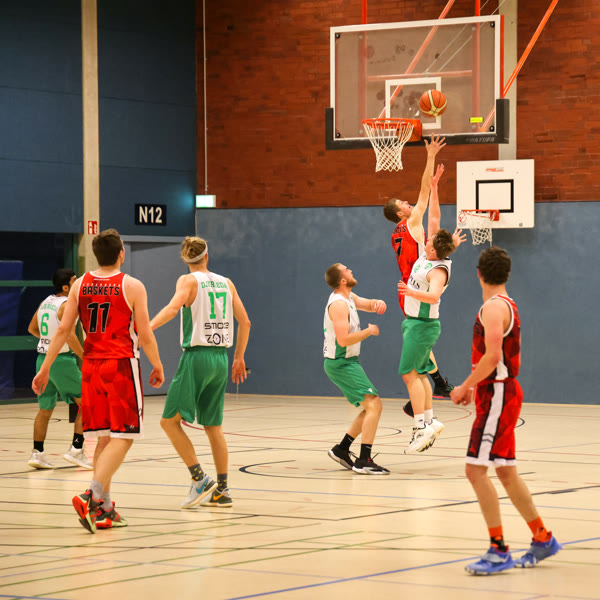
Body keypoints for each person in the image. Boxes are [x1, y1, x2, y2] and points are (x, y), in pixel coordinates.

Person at [32, 229, 164, 533]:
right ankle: (91, 495)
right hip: (120, 366)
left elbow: (63, 330)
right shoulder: (132, 285)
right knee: (124, 436)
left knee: (105, 437)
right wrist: (157, 364)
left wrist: (45, 367)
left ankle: (104, 508)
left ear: (96, 255)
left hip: (91, 368)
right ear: (121, 254)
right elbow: (145, 333)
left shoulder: (80, 284)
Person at [451, 247, 561, 574]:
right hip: (501, 391)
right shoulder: (506, 304)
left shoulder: (493, 308)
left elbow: (493, 356)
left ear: (478, 273)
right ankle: (542, 537)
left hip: (497, 393)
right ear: (507, 274)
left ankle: (498, 549)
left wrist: (466, 385)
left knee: (475, 470)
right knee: (505, 471)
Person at [150, 237, 251, 509]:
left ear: (184, 259)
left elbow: (173, 308)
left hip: (196, 357)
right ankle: (223, 490)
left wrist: (147, 328)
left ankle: (199, 479)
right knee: (213, 426)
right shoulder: (227, 283)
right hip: (220, 359)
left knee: (169, 422)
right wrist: (239, 357)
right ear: (208, 256)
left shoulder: (187, 281)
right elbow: (245, 321)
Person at [397, 166, 466, 454]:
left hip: (422, 326)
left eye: (429, 241)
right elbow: (434, 217)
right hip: (416, 324)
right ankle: (429, 421)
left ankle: (420, 427)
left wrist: (410, 291)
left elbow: (435, 295)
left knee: (409, 374)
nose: (425, 240)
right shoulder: (432, 254)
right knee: (421, 373)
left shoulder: (438, 269)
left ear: (435, 251)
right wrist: (435, 187)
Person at [383, 135, 453, 410]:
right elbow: (424, 192)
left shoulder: (397, 233)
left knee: (422, 341)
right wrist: (430, 156)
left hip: (409, 285)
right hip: (415, 287)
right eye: (403, 203)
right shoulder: (411, 223)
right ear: (400, 214)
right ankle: (433, 385)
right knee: (422, 340)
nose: (408, 202)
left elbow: (433, 218)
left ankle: (436, 382)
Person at [324, 263, 389, 475]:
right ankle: (364, 460)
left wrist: (377, 304)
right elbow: (343, 340)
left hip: (349, 361)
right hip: (340, 362)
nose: (350, 270)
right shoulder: (338, 305)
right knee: (374, 404)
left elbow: (366, 304)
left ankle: (342, 449)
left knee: (371, 406)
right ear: (343, 280)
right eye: (346, 269)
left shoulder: (349, 297)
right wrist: (369, 331)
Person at [26, 268, 91, 470]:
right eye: (74, 280)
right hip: (61, 361)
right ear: (66, 287)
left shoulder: (46, 302)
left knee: (45, 409)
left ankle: (37, 453)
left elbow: (32, 328)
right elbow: (69, 336)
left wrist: (50, 340)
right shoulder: (66, 305)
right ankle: (76, 449)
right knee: (88, 403)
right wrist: (85, 357)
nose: (78, 282)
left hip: (43, 360)